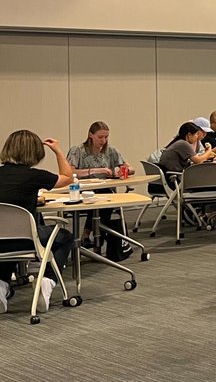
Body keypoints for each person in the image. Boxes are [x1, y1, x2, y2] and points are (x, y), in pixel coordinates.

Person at [0, 130, 77, 315]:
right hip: (26, 241)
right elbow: (67, 177)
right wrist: (58, 151)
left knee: (7, 239)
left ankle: (1, 288)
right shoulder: (34, 176)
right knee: (65, 236)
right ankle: (46, 281)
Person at [66, 121, 133, 261]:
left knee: (104, 198)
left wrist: (120, 171)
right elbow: (70, 172)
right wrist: (96, 170)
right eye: (100, 137)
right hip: (82, 191)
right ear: (91, 135)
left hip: (104, 190)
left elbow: (131, 168)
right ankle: (93, 237)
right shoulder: (77, 150)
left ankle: (88, 236)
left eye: (106, 137)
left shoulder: (111, 151)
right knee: (100, 199)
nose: (104, 141)